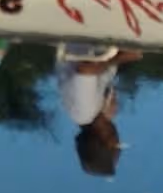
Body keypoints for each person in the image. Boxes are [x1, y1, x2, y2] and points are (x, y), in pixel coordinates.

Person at [58, 46, 141, 178]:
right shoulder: (97, 114)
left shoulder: (83, 113)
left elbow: (85, 69)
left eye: (116, 146)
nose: (118, 139)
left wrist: (120, 59)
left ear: (106, 143)